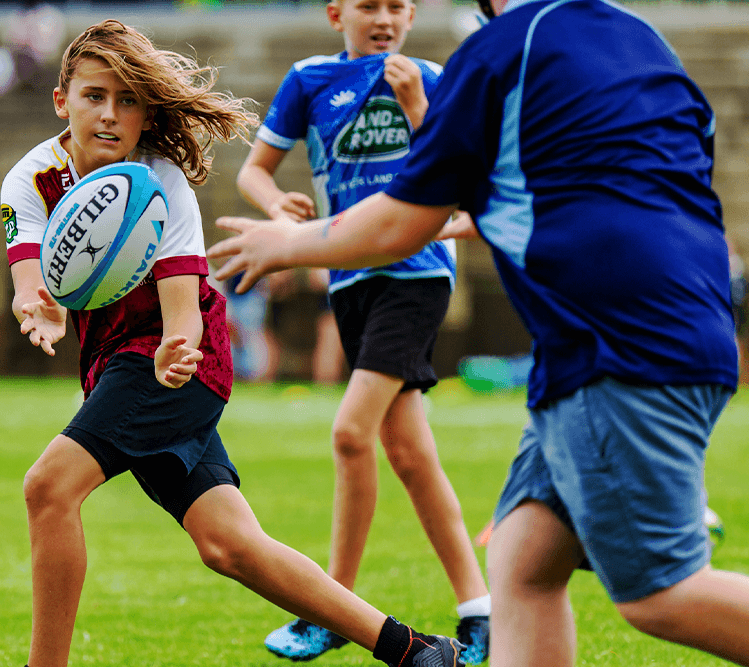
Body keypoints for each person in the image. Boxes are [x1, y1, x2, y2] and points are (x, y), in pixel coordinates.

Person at [209, 0, 749, 662]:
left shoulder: (499, 53)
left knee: (662, 594)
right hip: (674, 323)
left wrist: (289, 242)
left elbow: (401, 223)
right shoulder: (637, 35)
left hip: (616, 343)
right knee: (524, 559)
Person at [1, 19, 466, 667]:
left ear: (145, 114)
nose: (110, 115)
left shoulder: (161, 183)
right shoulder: (31, 177)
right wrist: (37, 304)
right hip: (119, 363)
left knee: (48, 487)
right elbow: (31, 269)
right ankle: (415, 648)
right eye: (94, 96)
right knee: (229, 545)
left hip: (179, 360)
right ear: (62, 101)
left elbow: (183, 311)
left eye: (128, 100)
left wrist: (176, 350)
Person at [234, 0, 490, 661]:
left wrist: (415, 109)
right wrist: (278, 209)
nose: (384, 18)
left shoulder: (431, 79)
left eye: (397, 6)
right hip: (349, 280)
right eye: (369, 5)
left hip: (417, 274)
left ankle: (333, 608)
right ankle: (480, 609)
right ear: (336, 12)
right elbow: (253, 170)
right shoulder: (309, 80)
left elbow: (463, 179)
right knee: (408, 451)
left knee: (351, 432)